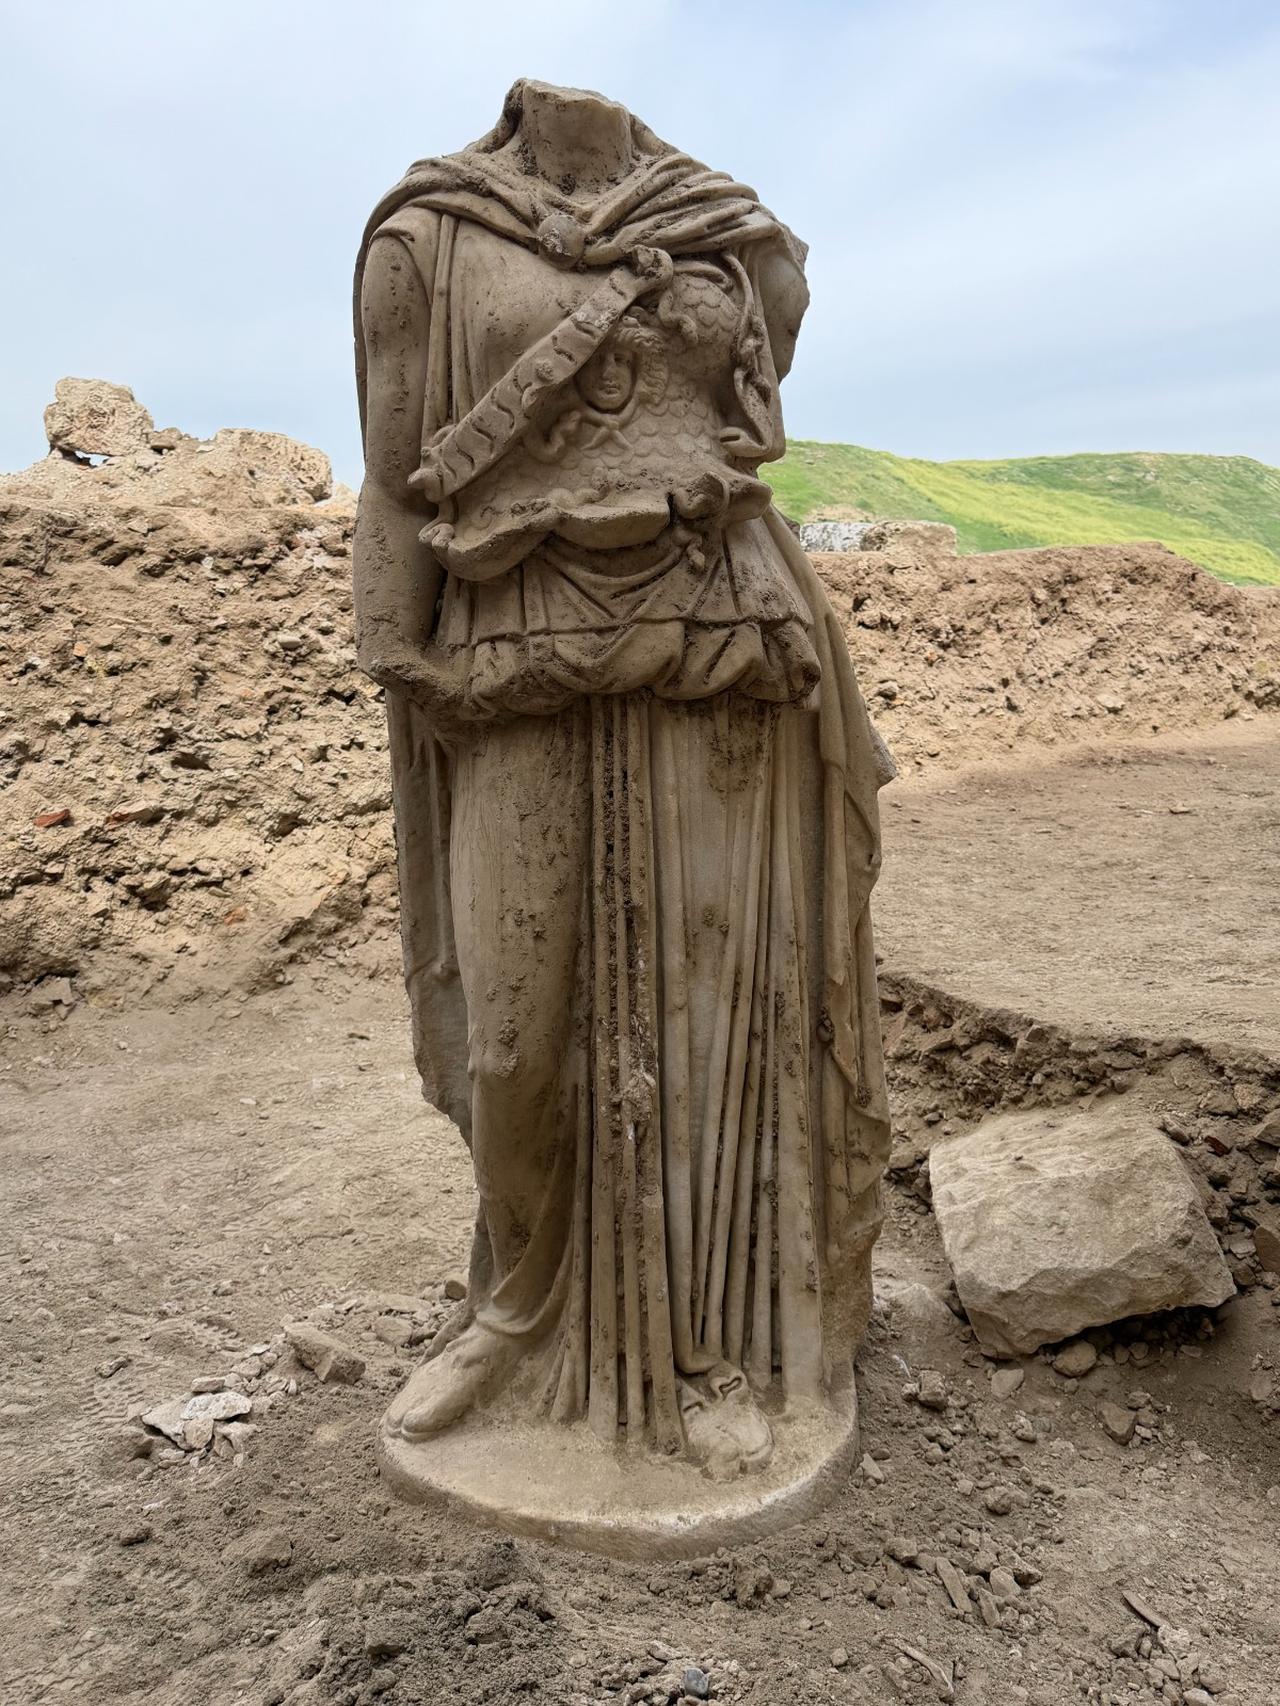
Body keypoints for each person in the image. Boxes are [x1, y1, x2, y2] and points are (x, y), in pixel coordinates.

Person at [354, 80, 892, 1480]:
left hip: (717, 637)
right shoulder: (428, 236)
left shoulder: (725, 233)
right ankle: (516, 1311)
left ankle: (710, 1346)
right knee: (515, 1037)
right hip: (512, 639)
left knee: (713, 1017)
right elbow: (398, 480)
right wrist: (388, 648)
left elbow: (754, 403)